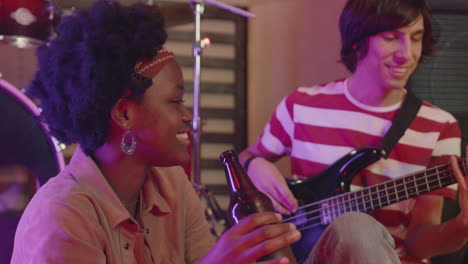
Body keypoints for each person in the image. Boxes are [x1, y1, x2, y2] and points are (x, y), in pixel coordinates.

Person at [10, 1, 301, 263]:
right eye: (176, 102)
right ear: (125, 114)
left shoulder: (171, 185)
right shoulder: (61, 218)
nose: (188, 116)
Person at [240, 0, 468, 263]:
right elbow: (243, 160)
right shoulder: (300, 106)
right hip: (311, 256)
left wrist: (462, 226)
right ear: (358, 40)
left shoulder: (441, 126)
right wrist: (254, 165)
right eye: (391, 38)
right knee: (354, 224)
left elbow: (419, 243)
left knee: (355, 224)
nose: (407, 54)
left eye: (415, 39)